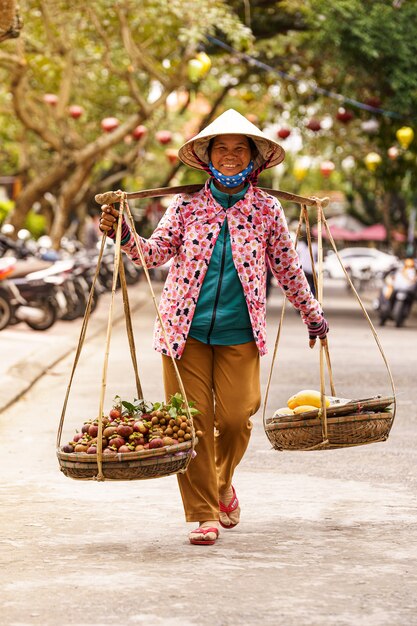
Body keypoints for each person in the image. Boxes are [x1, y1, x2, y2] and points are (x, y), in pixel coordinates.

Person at [98, 109, 329, 546]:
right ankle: (203, 514)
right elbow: (152, 254)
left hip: (240, 332)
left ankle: (222, 480)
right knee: (192, 424)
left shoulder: (266, 208)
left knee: (238, 417)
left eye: (238, 149)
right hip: (183, 333)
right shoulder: (186, 205)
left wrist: (311, 312)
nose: (228, 155)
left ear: (253, 159)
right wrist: (123, 234)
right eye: (220, 148)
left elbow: (287, 268)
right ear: (207, 156)